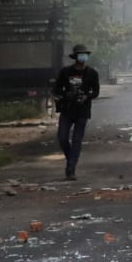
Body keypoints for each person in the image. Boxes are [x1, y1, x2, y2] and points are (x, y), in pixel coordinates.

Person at [53, 44, 99, 179]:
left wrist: (87, 96)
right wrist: (65, 95)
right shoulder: (65, 72)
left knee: (77, 140)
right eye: (80, 54)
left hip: (82, 111)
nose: (83, 56)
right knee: (62, 138)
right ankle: (71, 159)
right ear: (75, 57)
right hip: (67, 110)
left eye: (85, 54)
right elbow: (56, 90)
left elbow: (96, 92)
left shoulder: (92, 73)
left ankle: (70, 169)